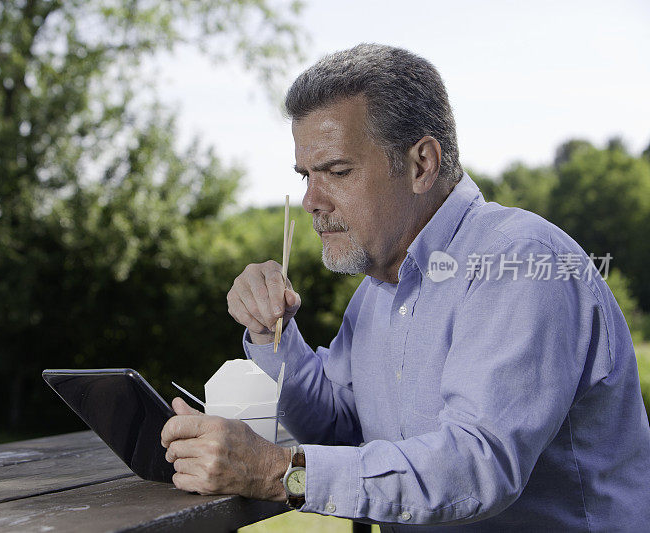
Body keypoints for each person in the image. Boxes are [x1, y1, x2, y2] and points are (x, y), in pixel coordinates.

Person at [160, 44, 650, 531]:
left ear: (421, 164)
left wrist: (279, 473)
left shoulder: (518, 262)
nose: (311, 200)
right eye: (306, 175)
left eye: (337, 171)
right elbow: (340, 423)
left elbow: (478, 467)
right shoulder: (378, 291)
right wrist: (272, 336)